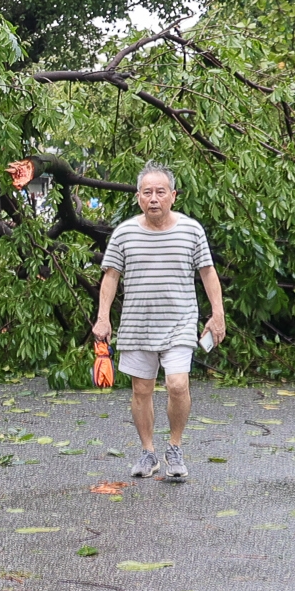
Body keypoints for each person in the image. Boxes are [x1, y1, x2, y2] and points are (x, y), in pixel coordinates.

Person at [93, 163, 227, 483]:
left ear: (173, 196)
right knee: (142, 390)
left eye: (161, 192)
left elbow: (208, 273)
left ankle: (175, 448)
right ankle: (148, 451)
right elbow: (110, 277)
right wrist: (102, 318)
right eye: (148, 192)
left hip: (180, 321)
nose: (154, 198)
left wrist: (217, 314)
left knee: (178, 385)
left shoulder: (191, 230)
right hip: (137, 323)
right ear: (139, 197)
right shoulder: (125, 232)